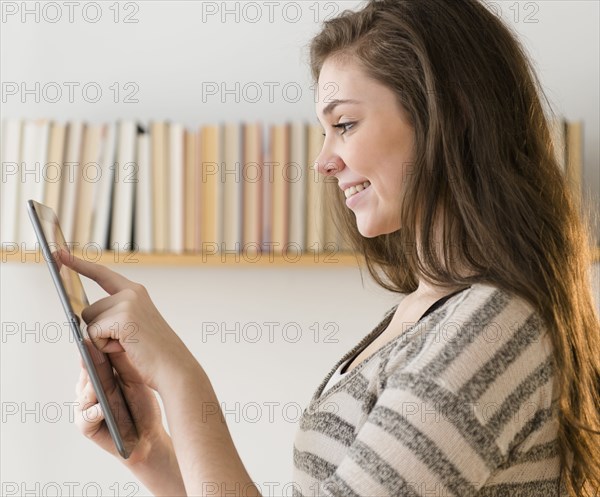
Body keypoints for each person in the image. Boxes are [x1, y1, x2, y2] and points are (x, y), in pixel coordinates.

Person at [60, 0, 599, 496]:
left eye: (344, 124)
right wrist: (155, 455)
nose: (323, 161)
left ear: (446, 118)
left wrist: (181, 381)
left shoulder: (491, 326)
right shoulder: (421, 315)